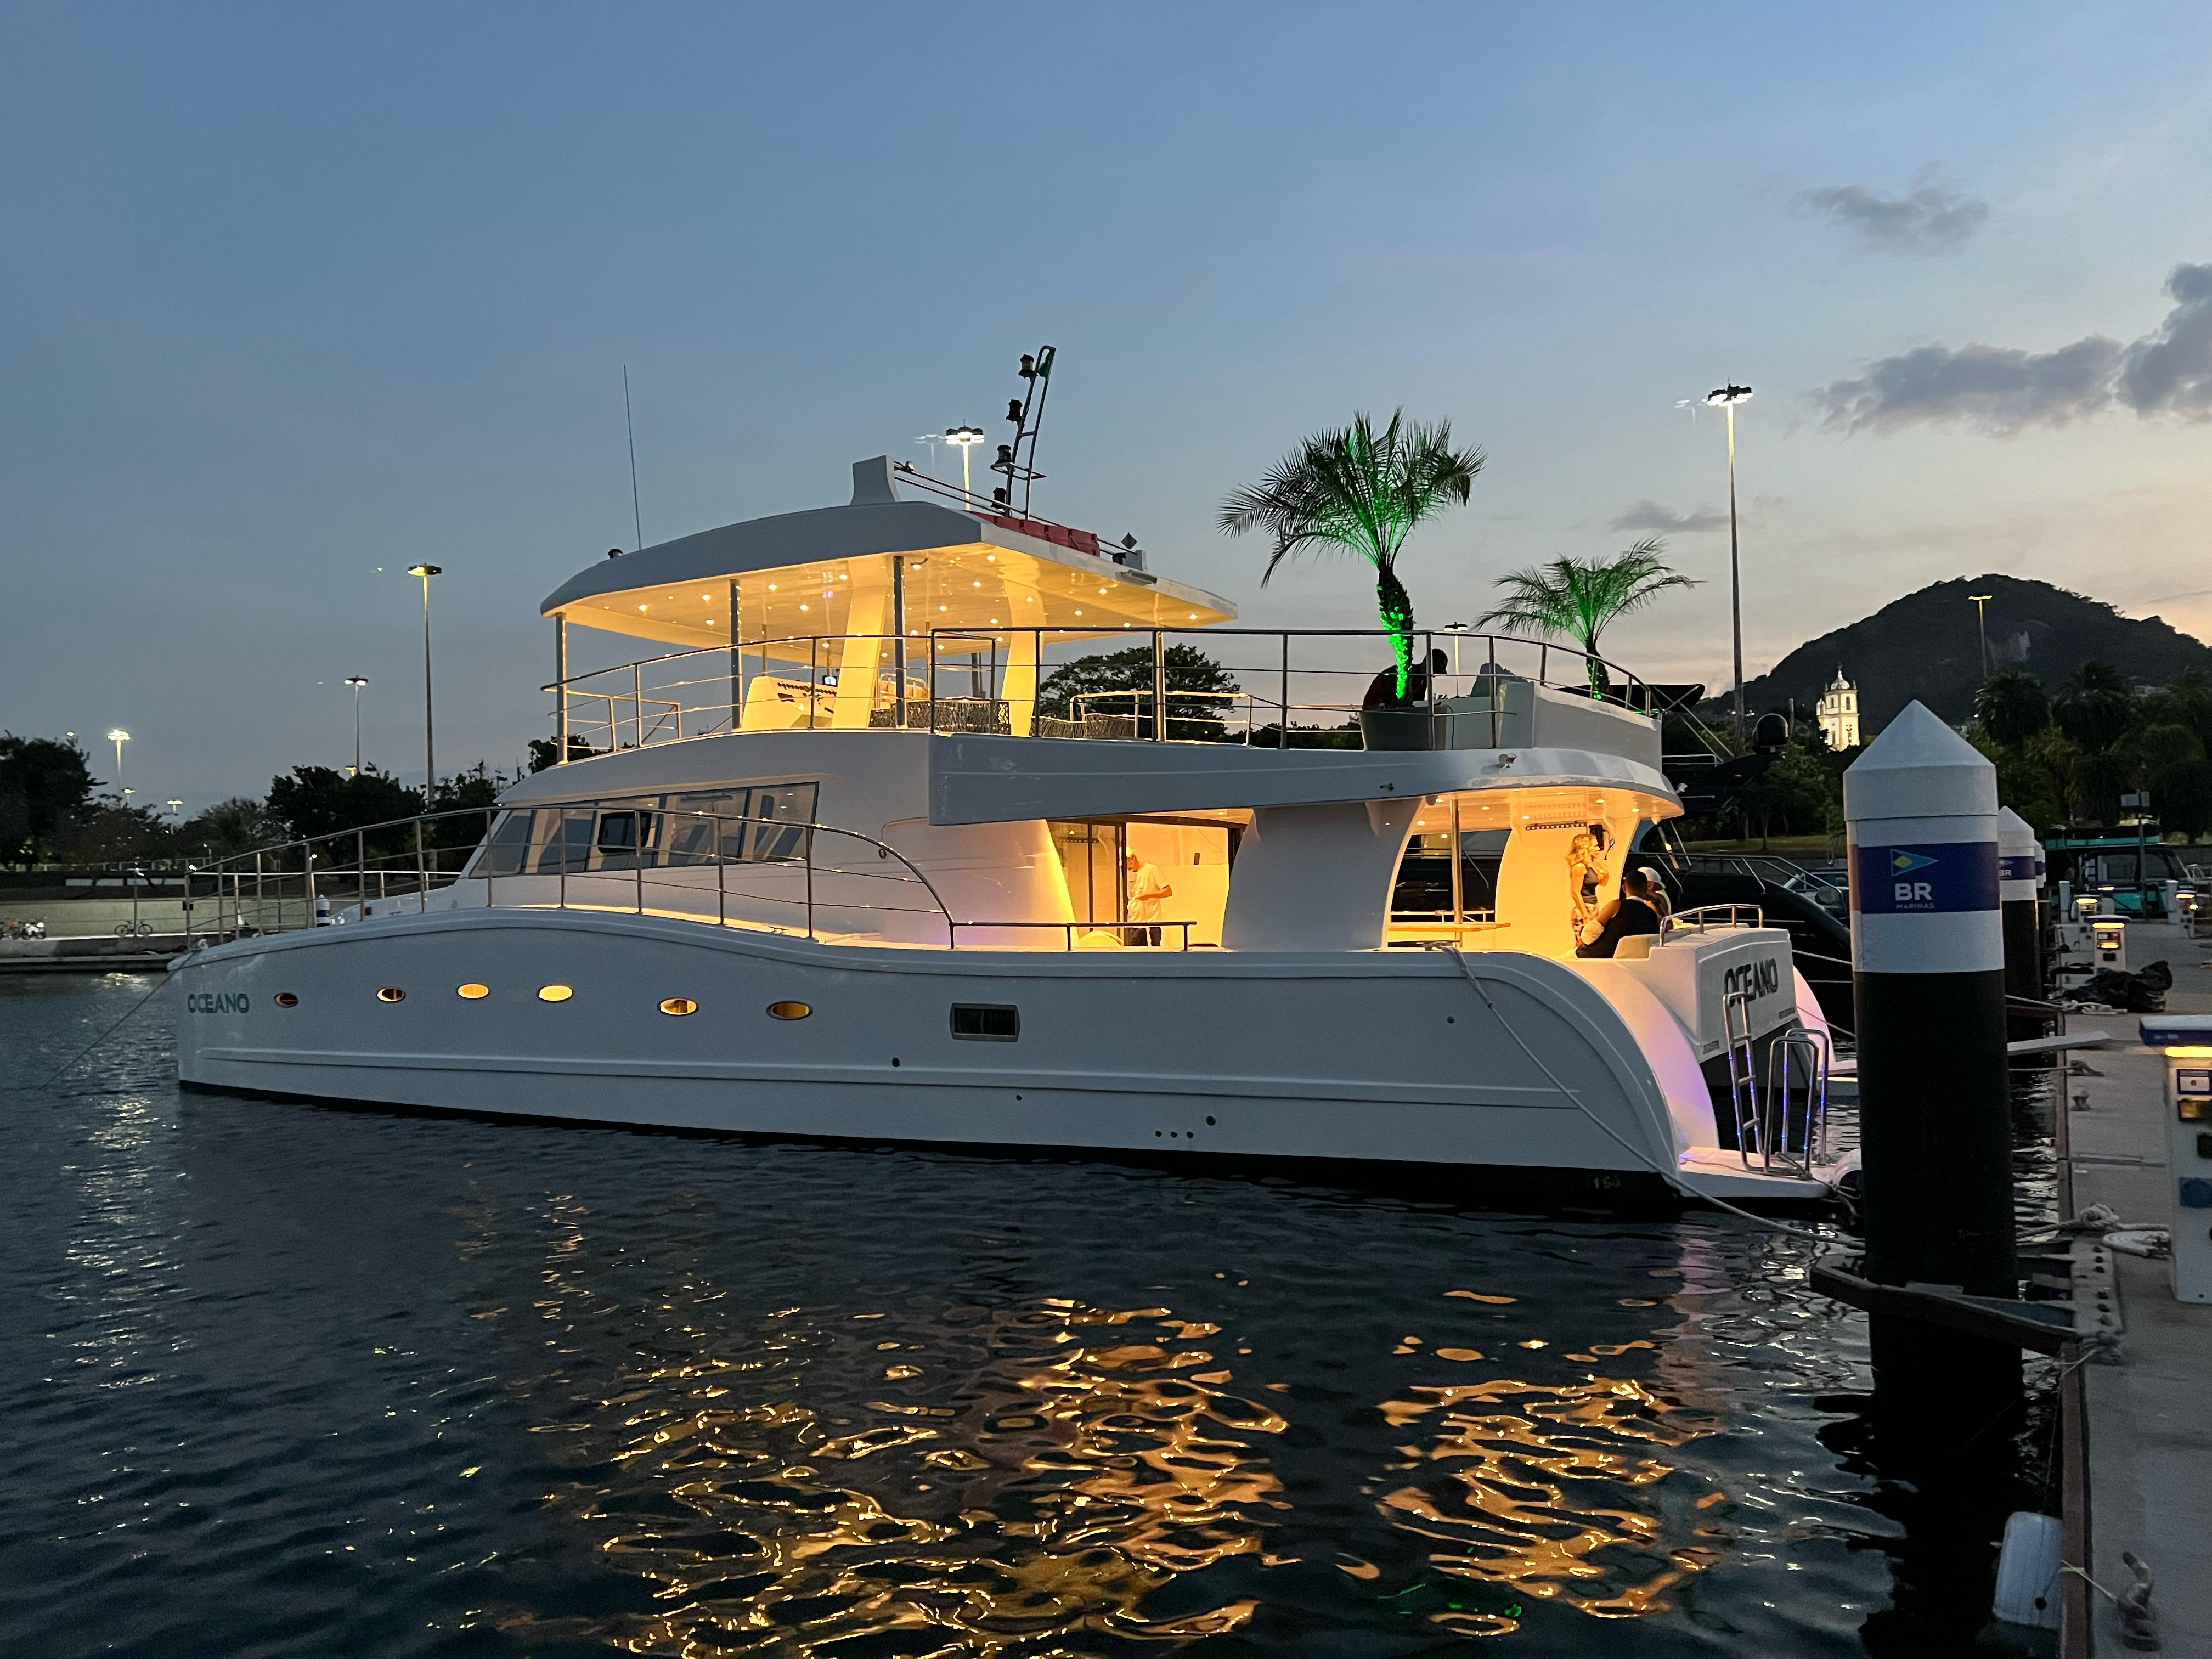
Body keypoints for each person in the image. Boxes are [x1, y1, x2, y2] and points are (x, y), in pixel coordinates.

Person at [1575, 867, 1663, 959]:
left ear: (1624, 888)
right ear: (1646, 889)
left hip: (1600, 956)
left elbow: (1589, 935)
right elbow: (1668, 925)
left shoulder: (1616, 906)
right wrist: (1656, 901)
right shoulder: (1652, 915)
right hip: (1634, 959)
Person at [1362, 647, 1451, 710]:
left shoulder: (1423, 679)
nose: (1435, 675)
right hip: (1377, 710)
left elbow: (1417, 704)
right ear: (1427, 664)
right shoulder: (1408, 676)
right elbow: (1400, 705)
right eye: (1436, 671)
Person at [1125, 851, 1172, 946]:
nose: (1128, 868)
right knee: (1135, 954)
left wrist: (1148, 895)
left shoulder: (1151, 870)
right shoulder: (1126, 874)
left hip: (1153, 921)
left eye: (1128, 862)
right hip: (1134, 921)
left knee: (1154, 953)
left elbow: (1168, 891)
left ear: (1133, 858)